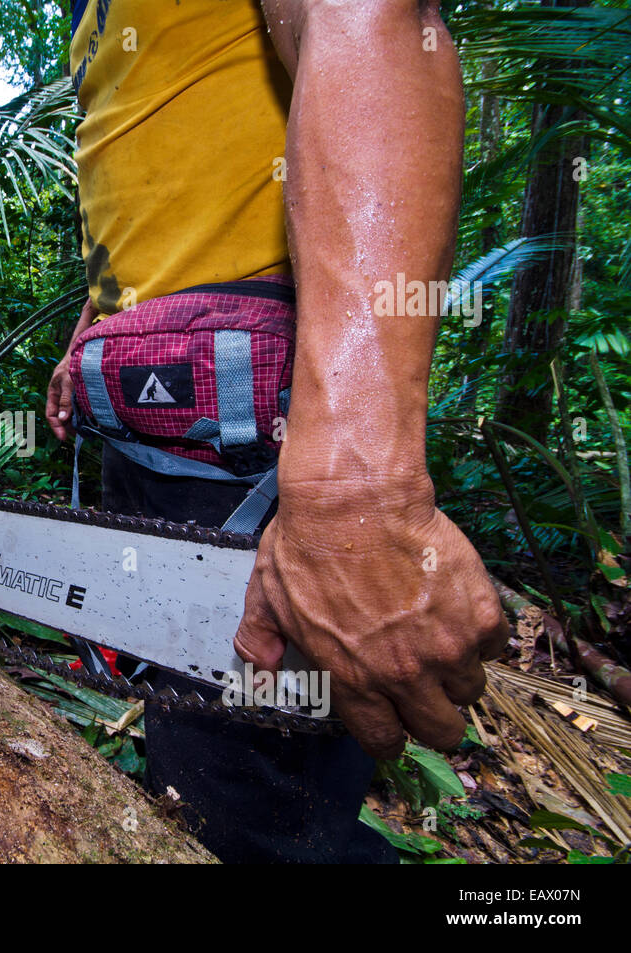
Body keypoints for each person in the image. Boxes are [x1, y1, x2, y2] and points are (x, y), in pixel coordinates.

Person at [46, 0, 511, 861]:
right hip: (148, 400)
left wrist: (355, 492)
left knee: (250, 824)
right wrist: (94, 328)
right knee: (193, 763)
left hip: (257, 421)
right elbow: (159, 168)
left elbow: (370, 18)